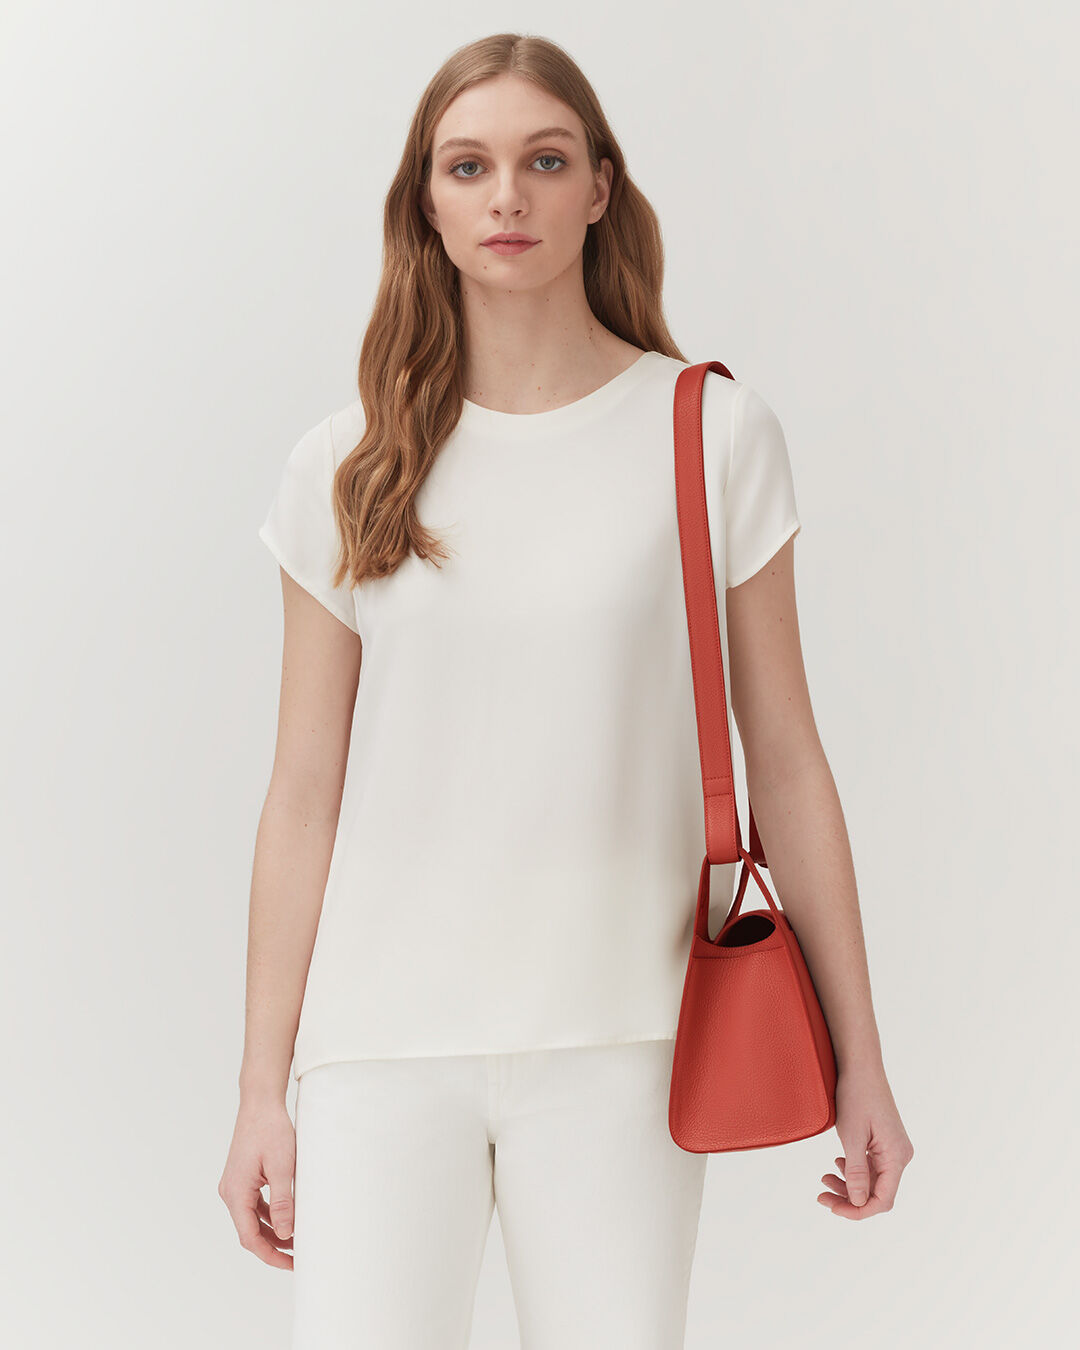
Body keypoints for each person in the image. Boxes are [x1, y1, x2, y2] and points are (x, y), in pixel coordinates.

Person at [218, 31, 914, 1350]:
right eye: (467, 166)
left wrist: (861, 1061)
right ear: (425, 202)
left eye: (544, 161)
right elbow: (302, 792)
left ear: (600, 186)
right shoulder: (349, 464)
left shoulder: (709, 433)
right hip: (380, 1042)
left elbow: (787, 755)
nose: (507, 197)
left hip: (624, 1038)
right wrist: (262, 1087)